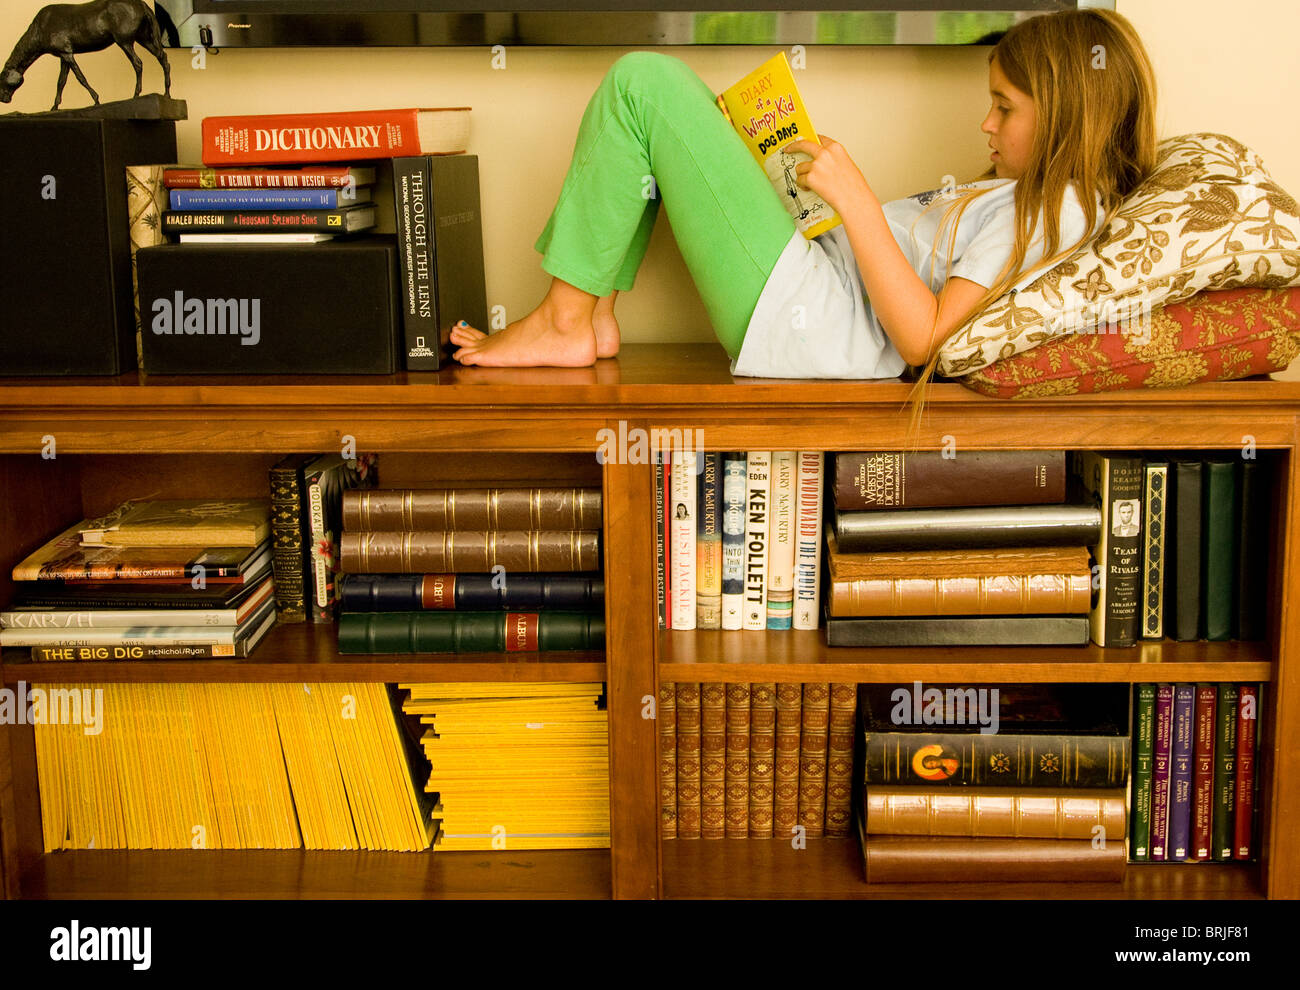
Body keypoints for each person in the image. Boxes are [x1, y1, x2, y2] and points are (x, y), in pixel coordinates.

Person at [450, 8, 1158, 399]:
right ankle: (589, 316)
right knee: (677, 108)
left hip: (814, 327)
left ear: (1069, 113)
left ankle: (566, 318)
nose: (986, 125)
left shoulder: (1061, 208)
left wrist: (857, 201)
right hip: (815, 291)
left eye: (1004, 108)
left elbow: (926, 338)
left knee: (644, 85)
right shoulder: (1033, 199)